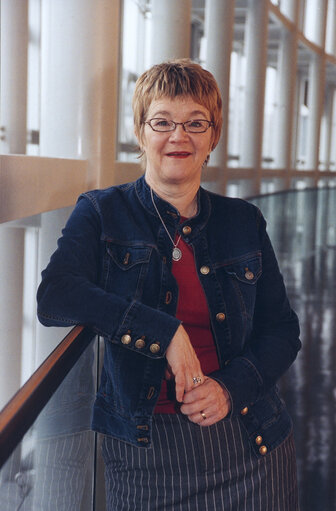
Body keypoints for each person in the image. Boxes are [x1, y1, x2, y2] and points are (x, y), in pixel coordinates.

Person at [37, 59, 301, 510]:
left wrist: (228, 388)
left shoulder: (244, 220)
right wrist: (164, 332)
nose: (179, 136)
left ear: (213, 136)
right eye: (162, 121)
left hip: (250, 438)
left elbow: (282, 331)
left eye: (195, 122)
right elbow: (55, 295)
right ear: (141, 132)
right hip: (146, 456)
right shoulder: (102, 211)